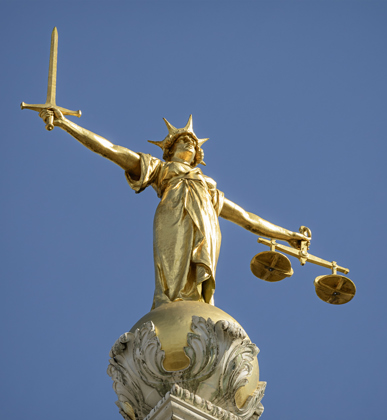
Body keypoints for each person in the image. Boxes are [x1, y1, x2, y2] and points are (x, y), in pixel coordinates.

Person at [39, 109, 310, 309]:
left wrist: (289, 236)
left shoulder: (208, 188)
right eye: (183, 141)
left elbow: (247, 219)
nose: (189, 145)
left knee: (199, 286)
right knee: (173, 280)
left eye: (193, 144)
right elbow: (111, 150)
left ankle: (199, 307)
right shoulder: (161, 170)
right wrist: (66, 124)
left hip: (207, 229)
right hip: (173, 219)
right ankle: (169, 306)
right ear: (168, 151)